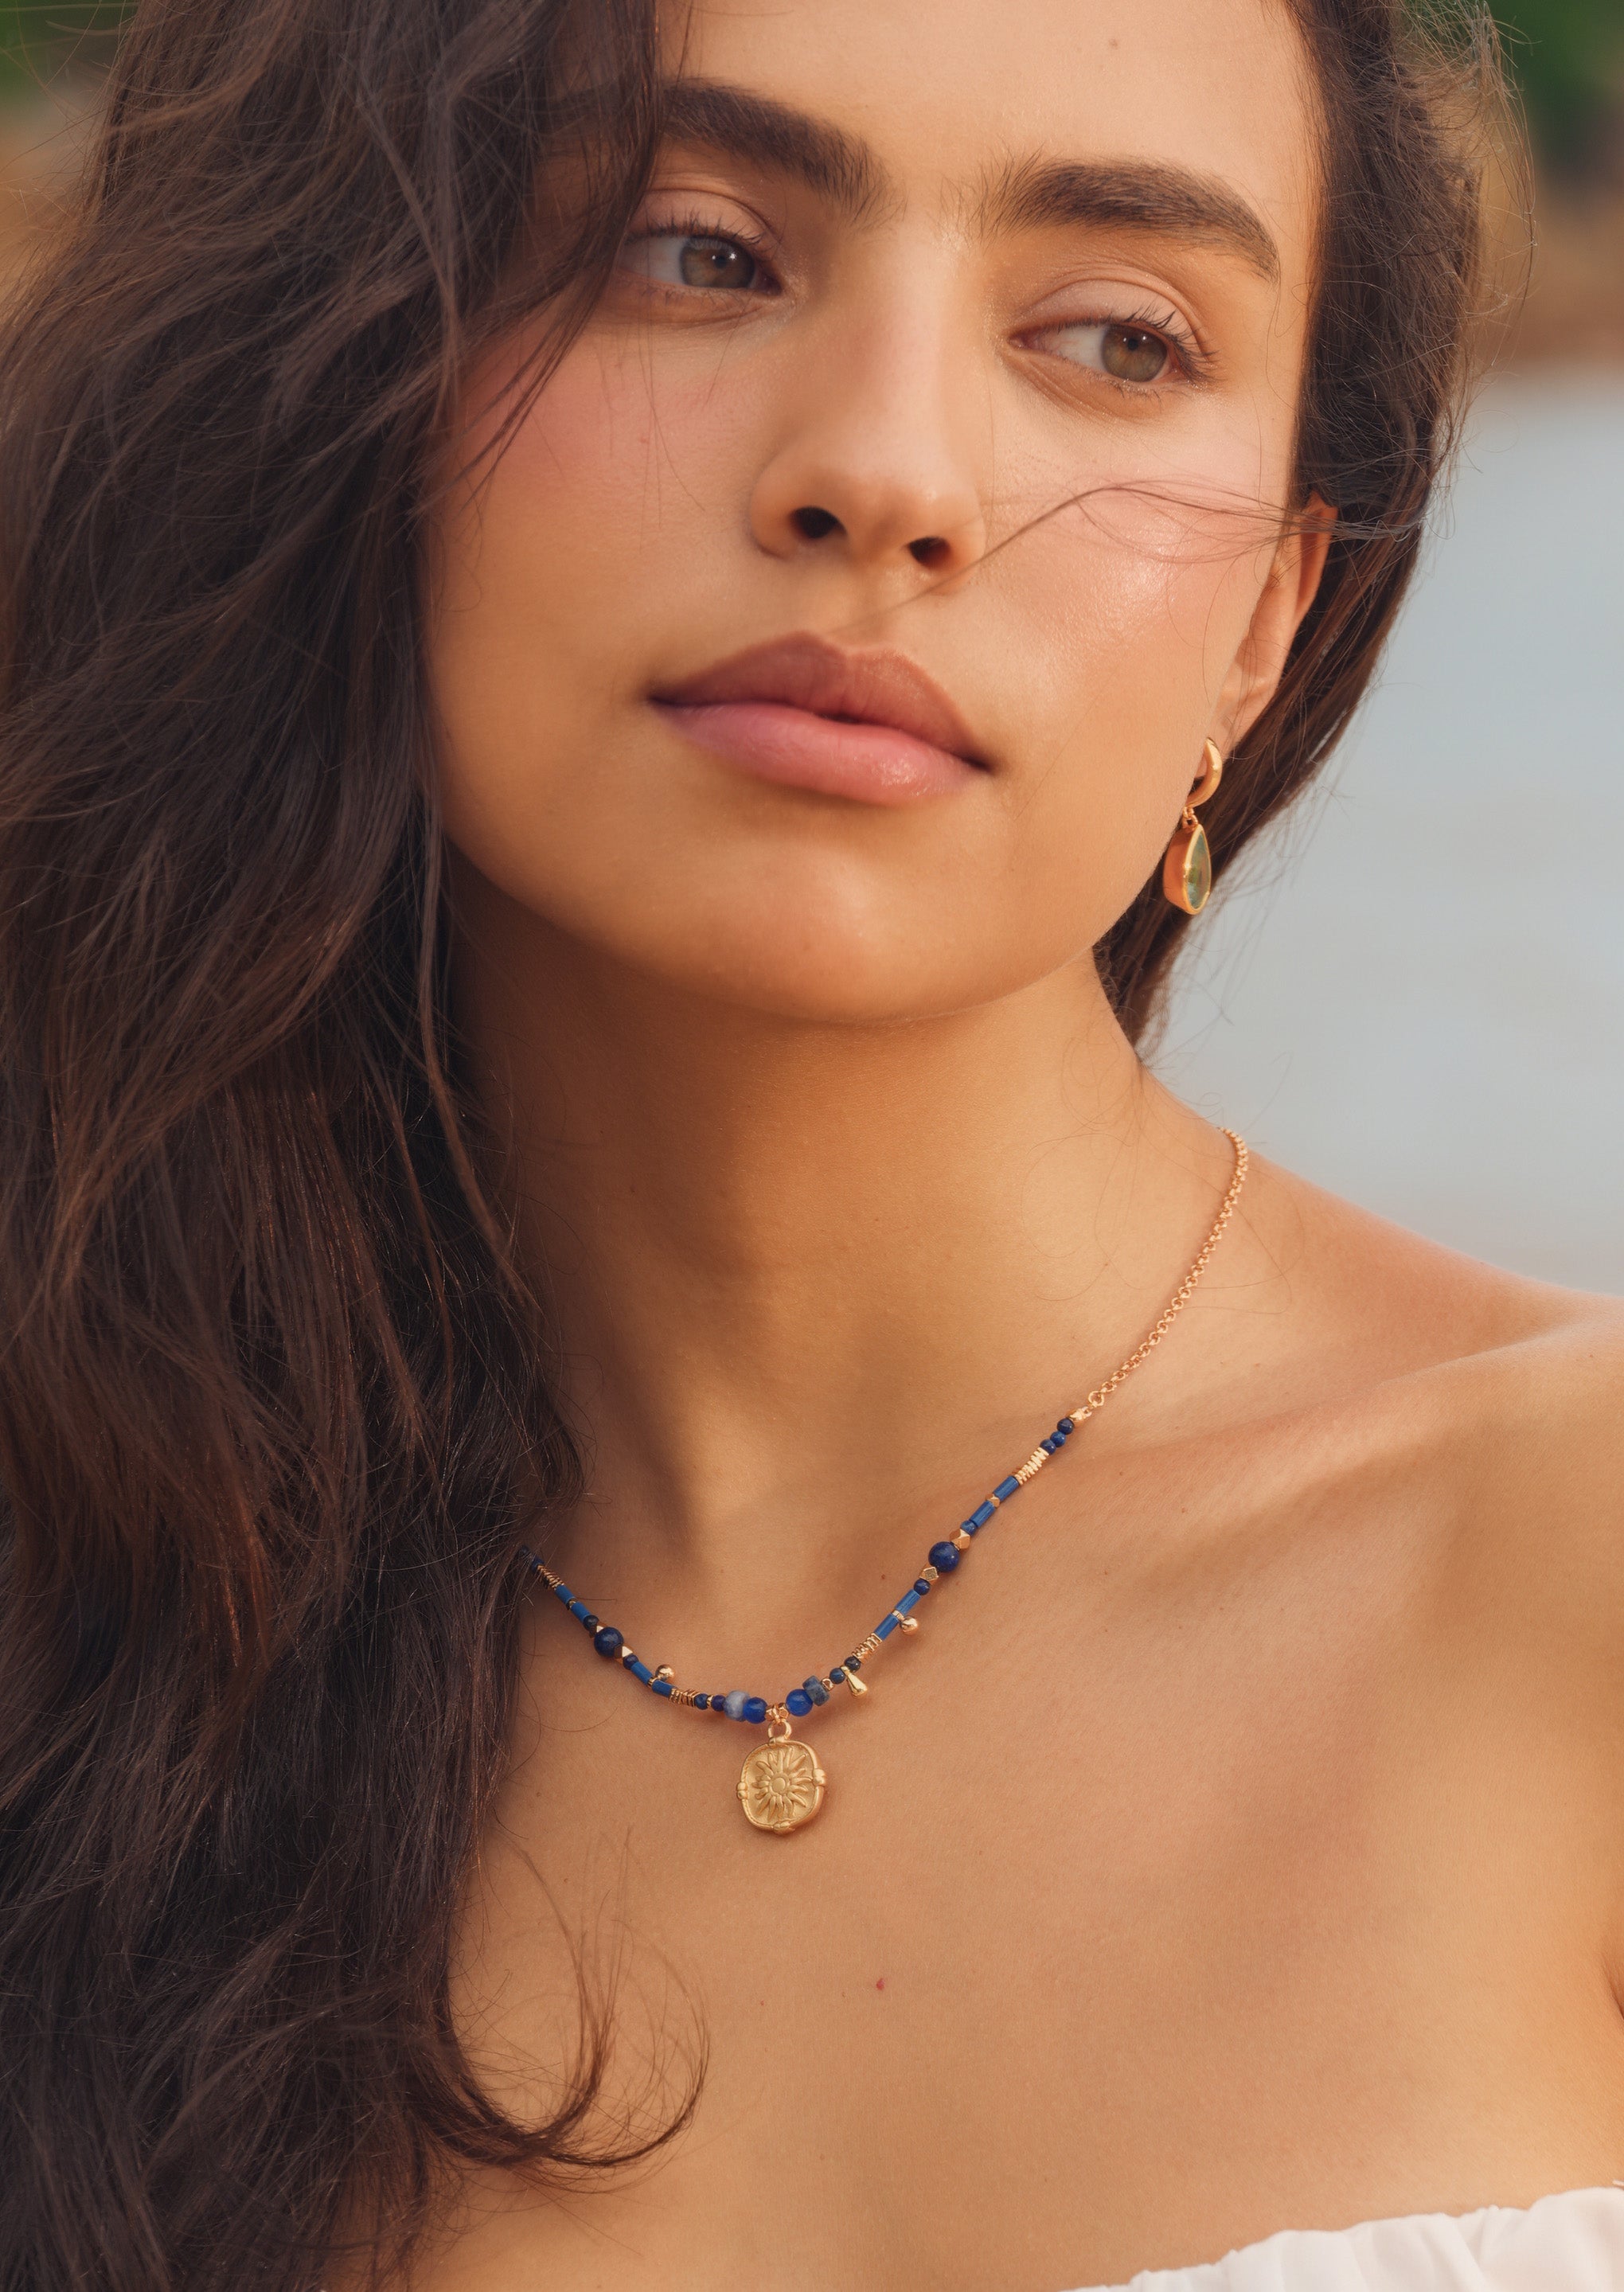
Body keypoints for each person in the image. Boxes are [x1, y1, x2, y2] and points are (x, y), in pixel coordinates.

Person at [3, 0, 1622, 2286]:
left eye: (1118, 339)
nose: (889, 474)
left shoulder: (1572, 1565)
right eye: (697, 253)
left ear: (1270, 621)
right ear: (343, 372)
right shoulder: (98, 1646)